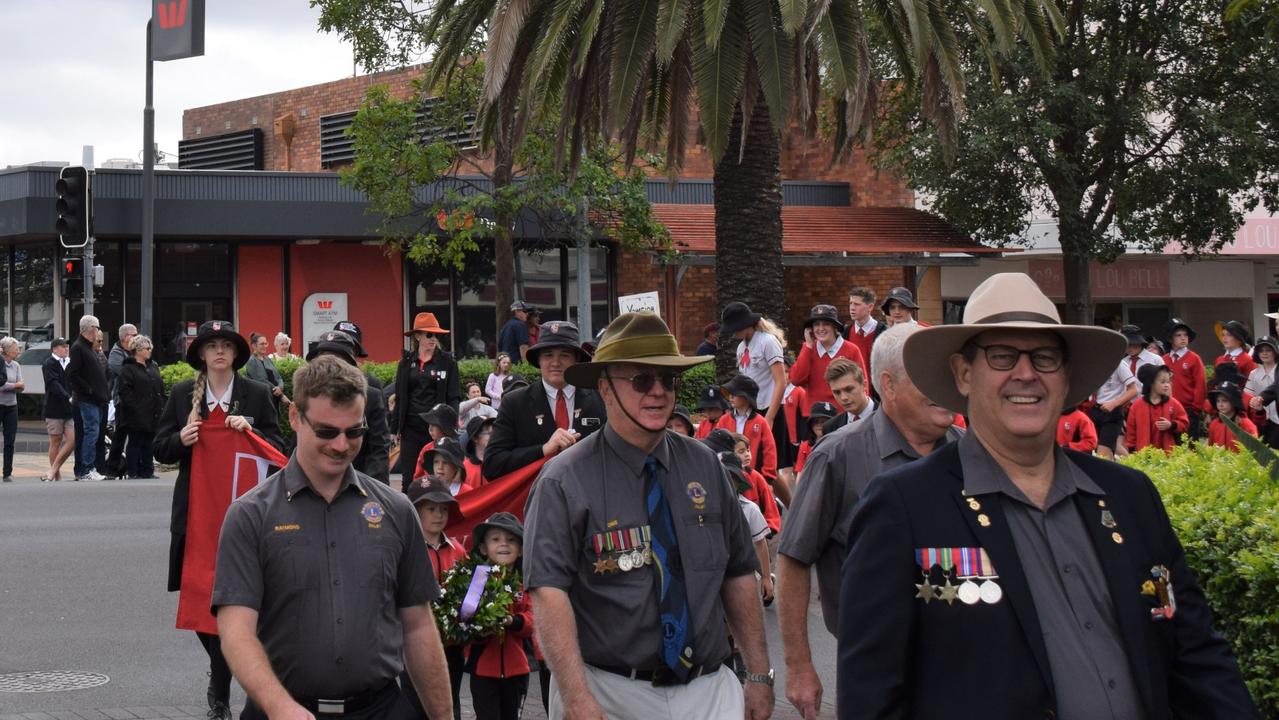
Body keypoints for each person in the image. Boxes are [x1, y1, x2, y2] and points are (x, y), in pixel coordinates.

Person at [836, 272, 1259, 720]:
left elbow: (1198, 658)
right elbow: (871, 696)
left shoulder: (1129, 496)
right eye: (1001, 357)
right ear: (963, 374)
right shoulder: (903, 506)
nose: (1026, 374)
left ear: (1066, 375)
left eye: (1044, 358)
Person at [523, 312, 773, 720]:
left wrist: (759, 676)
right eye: (641, 380)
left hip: (710, 689)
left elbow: (739, 573)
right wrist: (575, 695)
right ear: (604, 388)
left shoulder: (707, 466)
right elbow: (549, 594)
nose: (658, 392)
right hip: (611, 694)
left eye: (668, 380)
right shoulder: (564, 480)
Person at [212, 355, 453, 720]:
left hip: (382, 709)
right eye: (326, 432)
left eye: (354, 431)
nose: (341, 446)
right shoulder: (250, 515)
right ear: (294, 417)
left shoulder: (398, 510)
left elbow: (418, 626)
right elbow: (235, 631)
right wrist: (279, 706)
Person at [777, 323, 964, 716]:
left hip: (967, 665)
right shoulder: (838, 455)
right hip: (878, 670)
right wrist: (798, 666)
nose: (944, 385)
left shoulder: (971, 455)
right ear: (888, 385)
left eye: (946, 372)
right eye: (927, 374)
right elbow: (794, 558)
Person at [155, 320, 284, 719]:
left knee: (242, 599)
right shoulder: (182, 395)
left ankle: (223, 691)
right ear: (202, 355)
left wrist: (251, 431)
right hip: (195, 518)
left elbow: (279, 451)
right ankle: (221, 675)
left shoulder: (257, 395)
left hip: (245, 516)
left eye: (226, 345)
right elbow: (160, 448)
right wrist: (181, 439)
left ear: (236, 353)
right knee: (198, 598)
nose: (219, 352)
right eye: (212, 346)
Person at [483, 321, 606, 480]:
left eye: (564, 355)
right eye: (548, 355)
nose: (556, 362)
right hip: (536, 500)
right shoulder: (514, 403)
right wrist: (543, 450)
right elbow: (492, 466)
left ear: (576, 359)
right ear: (538, 360)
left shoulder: (600, 398)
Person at [406, 475, 467, 720]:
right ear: (414, 511)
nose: (438, 515)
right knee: (415, 705)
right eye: (430, 508)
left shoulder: (458, 550)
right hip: (414, 644)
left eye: (443, 509)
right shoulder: (406, 549)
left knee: (449, 703)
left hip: (452, 647)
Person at [465, 513, 534, 720]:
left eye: (511, 540)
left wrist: (513, 621)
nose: (504, 544)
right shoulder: (478, 578)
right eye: (495, 539)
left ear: (521, 549)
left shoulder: (525, 580)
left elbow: (532, 618)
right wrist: (482, 626)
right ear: (483, 548)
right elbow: (466, 618)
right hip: (483, 671)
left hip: (517, 670)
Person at [308, 330, 392, 484]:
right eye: (324, 360)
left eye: (337, 360)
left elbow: (379, 449)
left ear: (351, 366)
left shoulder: (370, 397)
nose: (330, 367)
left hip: (360, 485)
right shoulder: (308, 396)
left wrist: (368, 490)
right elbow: (298, 447)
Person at [393, 312, 461, 483]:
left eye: (436, 335)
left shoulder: (447, 361)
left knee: (436, 476)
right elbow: (400, 397)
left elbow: (453, 397)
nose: (433, 339)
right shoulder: (406, 362)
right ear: (417, 336)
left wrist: (451, 425)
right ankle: (411, 510)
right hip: (410, 428)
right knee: (409, 478)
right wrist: (394, 429)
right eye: (429, 334)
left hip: (437, 428)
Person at [720, 301, 787, 457]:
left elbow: (781, 382)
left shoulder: (768, 342)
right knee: (751, 459)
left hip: (770, 408)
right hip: (750, 411)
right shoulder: (741, 348)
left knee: (771, 463)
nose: (733, 332)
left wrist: (769, 418)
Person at [789, 304, 868, 415]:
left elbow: (862, 383)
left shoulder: (851, 349)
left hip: (843, 415)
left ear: (835, 327)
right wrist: (808, 346)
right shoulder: (808, 348)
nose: (821, 329)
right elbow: (796, 379)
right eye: (817, 324)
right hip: (814, 418)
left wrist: (862, 412)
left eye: (826, 324)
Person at [116, 335, 165, 479]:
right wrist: (135, 410)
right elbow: (125, 392)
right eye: (147, 348)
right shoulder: (128, 369)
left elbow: (159, 389)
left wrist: (161, 405)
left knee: (149, 443)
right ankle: (133, 472)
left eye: (150, 348)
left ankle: (147, 471)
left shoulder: (153, 366)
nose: (150, 351)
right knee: (135, 442)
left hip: (153, 412)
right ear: (137, 350)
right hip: (135, 413)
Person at [66, 315, 108, 482]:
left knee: (92, 433)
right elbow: (73, 374)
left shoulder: (88, 347)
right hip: (88, 399)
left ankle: (88, 468)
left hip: (95, 398)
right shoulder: (78, 348)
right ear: (91, 328)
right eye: (97, 328)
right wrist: (89, 390)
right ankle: (86, 469)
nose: (98, 331)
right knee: (91, 432)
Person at [714, 374, 779, 483]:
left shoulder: (760, 422)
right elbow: (715, 445)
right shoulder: (723, 420)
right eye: (730, 394)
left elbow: (769, 451)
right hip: (728, 475)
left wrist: (768, 478)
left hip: (754, 477)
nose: (730, 397)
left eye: (735, 394)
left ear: (747, 397)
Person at [1087, 331, 1140, 459]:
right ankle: (1132, 466)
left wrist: (1114, 403)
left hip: (1112, 411)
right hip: (1095, 409)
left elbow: (1133, 390)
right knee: (1099, 450)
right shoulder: (1094, 365)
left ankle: (1134, 467)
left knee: (1103, 452)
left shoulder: (1119, 364)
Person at [1124, 363, 1188, 454]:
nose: (1166, 385)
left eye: (1168, 382)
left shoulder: (1174, 404)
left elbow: (1184, 424)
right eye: (1162, 382)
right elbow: (1131, 431)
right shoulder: (1137, 406)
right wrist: (1132, 449)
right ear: (1151, 383)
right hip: (1143, 456)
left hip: (1168, 455)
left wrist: (1171, 425)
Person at [1162, 318, 1207, 439]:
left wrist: (1196, 409)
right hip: (1168, 408)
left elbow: (1200, 384)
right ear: (1170, 338)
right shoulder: (1164, 359)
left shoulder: (1194, 358)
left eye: (1185, 335)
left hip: (1188, 409)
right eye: (1178, 335)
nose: (1183, 338)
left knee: (1189, 444)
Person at [105, 323, 139, 478]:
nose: (137, 337)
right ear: (126, 337)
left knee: (136, 435)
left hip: (136, 401)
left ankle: (135, 468)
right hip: (122, 402)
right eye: (134, 334)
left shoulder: (134, 352)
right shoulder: (115, 354)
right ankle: (113, 468)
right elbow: (127, 374)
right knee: (120, 435)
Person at [731, 432, 781, 535]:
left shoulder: (756, 476)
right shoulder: (725, 476)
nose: (747, 454)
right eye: (741, 451)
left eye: (748, 450)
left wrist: (770, 526)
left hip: (757, 531)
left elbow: (769, 504)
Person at [42, 337, 75, 482]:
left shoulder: (69, 362)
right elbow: (53, 384)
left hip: (69, 410)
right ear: (55, 349)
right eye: (63, 346)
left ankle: (53, 469)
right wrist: (68, 396)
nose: (66, 349)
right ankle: (57, 475)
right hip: (54, 409)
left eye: (67, 346)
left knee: (72, 440)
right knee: (55, 442)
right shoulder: (49, 363)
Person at [820, 357, 875, 435]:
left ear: (864, 385)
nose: (843, 397)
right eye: (837, 392)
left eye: (849, 389)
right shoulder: (830, 428)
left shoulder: (890, 417)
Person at [1246, 334, 1279, 447]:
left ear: (1275, 352)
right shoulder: (1254, 374)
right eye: (1261, 351)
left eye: (1268, 350)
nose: (1264, 353)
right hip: (1261, 420)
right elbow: (1248, 397)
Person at [1207, 381, 1258, 452]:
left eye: (1224, 401)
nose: (1220, 404)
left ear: (1234, 402)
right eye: (1218, 401)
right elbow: (1210, 449)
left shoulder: (1246, 424)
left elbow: (1255, 450)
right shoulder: (1214, 424)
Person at [0, 337, 23, 482]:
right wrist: (15, 385)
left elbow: (23, 385)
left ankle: (7, 472)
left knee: (10, 440)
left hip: (11, 406)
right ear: (7, 351)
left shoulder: (16, 365)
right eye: (16, 349)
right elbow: (1, 385)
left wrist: (13, 386)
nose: (18, 351)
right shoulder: (0, 363)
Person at [792, 401, 836, 476]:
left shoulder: (838, 444)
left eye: (824, 422)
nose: (819, 425)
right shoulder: (805, 446)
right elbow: (801, 473)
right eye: (816, 421)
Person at [245, 332, 287, 411]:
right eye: (262, 344)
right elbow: (261, 380)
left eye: (266, 343)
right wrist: (281, 395)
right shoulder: (251, 361)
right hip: (261, 401)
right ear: (254, 346)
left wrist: (280, 387)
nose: (265, 346)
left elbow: (278, 377)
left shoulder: (268, 359)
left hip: (274, 399)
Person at [463, 415, 494, 488]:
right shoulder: (464, 470)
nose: (494, 436)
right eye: (489, 433)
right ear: (475, 438)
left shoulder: (500, 463)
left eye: (494, 432)